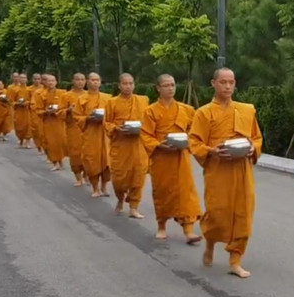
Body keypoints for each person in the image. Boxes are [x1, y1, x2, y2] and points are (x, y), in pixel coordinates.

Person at [189, 68, 263, 278]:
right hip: (218, 170)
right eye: (223, 82)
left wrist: (252, 149)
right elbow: (194, 142)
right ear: (213, 83)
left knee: (244, 214)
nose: (228, 86)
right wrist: (211, 151)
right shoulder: (204, 113)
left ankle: (235, 260)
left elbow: (256, 138)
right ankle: (210, 243)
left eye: (231, 82)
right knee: (217, 213)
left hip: (242, 170)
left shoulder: (247, 110)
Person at [141, 74, 202, 243]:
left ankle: (188, 230)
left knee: (186, 193)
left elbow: (195, 131)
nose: (170, 88)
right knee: (162, 192)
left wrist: (188, 140)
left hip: (181, 157)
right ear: (158, 88)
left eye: (173, 85)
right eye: (166, 85)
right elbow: (145, 134)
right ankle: (162, 225)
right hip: (161, 158)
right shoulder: (151, 111)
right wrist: (159, 144)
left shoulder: (186, 110)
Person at [104, 73, 149, 218]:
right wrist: (116, 128)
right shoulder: (112, 103)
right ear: (119, 85)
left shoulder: (143, 100)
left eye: (131, 83)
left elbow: (148, 121)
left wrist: (143, 128)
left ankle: (134, 207)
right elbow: (107, 123)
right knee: (118, 179)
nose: (128, 86)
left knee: (139, 175)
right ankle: (120, 199)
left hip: (138, 145)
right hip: (120, 145)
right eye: (125, 83)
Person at [75, 72, 112, 198]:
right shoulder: (82, 99)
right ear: (88, 81)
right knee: (91, 161)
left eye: (97, 80)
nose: (95, 82)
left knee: (108, 162)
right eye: (92, 80)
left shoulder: (108, 98)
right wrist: (88, 119)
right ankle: (95, 188)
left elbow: (113, 115)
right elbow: (77, 117)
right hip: (90, 134)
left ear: (100, 82)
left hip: (105, 134)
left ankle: (104, 186)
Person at [33, 74, 66, 171]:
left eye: (53, 80)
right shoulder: (41, 95)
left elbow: (65, 107)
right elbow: (38, 110)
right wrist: (46, 112)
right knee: (50, 143)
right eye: (49, 81)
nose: (51, 82)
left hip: (59, 122)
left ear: (56, 82)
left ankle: (60, 160)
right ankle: (55, 163)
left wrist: (60, 111)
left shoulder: (63, 94)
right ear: (45, 83)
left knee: (60, 142)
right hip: (47, 122)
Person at [61, 73, 87, 186]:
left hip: (87, 129)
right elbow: (59, 112)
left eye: (82, 80)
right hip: (73, 128)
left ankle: (86, 174)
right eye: (77, 79)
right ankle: (78, 177)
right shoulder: (66, 96)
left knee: (87, 153)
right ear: (73, 81)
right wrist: (68, 110)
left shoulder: (88, 95)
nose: (80, 82)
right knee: (75, 153)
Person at [7, 73, 33, 148]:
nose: (22, 79)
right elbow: (11, 101)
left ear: (27, 79)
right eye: (21, 78)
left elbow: (33, 101)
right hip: (18, 111)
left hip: (27, 111)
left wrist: (27, 103)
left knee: (28, 126)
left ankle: (27, 141)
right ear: (19, 79)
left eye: (24, 78)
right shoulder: (15, 90)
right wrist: (17, 103)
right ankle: (21, 139)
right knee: (19, 127)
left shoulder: (29, 90)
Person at [29, 73, 45, 154]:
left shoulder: (45, 89)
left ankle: (45, 148)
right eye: (35, 79)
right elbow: (32, 102)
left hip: (47, 115)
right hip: (35, 113)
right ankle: (39, 146)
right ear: (32, 79)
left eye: (39, 79)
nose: (37, 81)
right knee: (36, 131)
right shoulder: (31, 89)